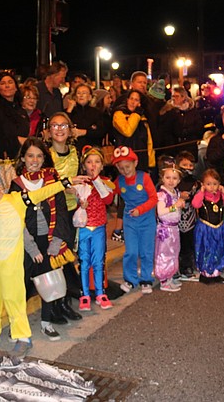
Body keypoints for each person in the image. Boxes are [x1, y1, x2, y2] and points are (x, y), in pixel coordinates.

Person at [0, 171, 87, 358]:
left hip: (11, 263)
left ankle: (23, 337)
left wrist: (66, 182)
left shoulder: (16, 199)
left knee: (14, 299)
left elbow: (43, 193)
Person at [8, 138, 76, 341]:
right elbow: (14, 220)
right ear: (23, 158)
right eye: (30, 155)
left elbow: (62, 213)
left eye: (39, 156)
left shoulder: (52, 183)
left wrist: (56, 242)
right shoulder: (15, 185)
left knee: (49, 282)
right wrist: (31, 248)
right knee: (21, 285)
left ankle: (46, 322)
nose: (35, 160)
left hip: (49, 242)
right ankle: (17, 325)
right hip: (26, 243)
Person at [43, 112, 84, 318]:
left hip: (72, 210)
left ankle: (66, 297)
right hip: (51, 212)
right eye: (54, 125)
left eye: (63, 125)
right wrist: (65, 186)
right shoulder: (43, 154)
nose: (59, 129)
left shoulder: (77, 152)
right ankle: (58, 304)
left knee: (68, 255)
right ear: (48, 131)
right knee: (55, 255)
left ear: (71, 130)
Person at [112, 146, 158, 294]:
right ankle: (130, 279)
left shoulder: (144, 177)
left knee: (146, 251)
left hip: (147, 220)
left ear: (135, 163)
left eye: (127, 166)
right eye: (121, 168)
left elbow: (154, 198)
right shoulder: (119, 181)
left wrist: (141, 209)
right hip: (130, 221)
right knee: (131, 251)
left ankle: (146, 279)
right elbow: (108, 194)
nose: (125, 171)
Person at [75, 146, 115, 311]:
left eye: (97, 162)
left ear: (102, 165)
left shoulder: (106, 182)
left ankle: (100, 293)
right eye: (89, 162)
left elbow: (108, 200)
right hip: (84, 228)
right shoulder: (79, 182)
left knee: (98, 261)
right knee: (84, 262)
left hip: (99, 227)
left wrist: (97, 179)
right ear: (84, 165)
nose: (93, 165)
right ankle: (84, 294)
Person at [191, 168, 224, 284]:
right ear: (203, 184)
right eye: (208, 184)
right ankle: (205, 274)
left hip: (219, 228)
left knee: (219, 250)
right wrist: (201, 191)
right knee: (206, 251)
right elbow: (195, 204)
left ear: (219, 184)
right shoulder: (202, 196)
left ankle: (216, 272)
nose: (212, 187)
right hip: (205, 229)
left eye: (215, 184)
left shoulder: (221, 196)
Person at [154, 157, 183, 292]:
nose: (171, 181)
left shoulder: (176, 192)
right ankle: (163, 279)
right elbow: (161, 212)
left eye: (174, 178)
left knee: (173, 253)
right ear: (162, 178)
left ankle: (170, 276)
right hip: (165, 229)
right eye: (168, 177)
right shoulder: (162, 194)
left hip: (174, 228)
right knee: (164, 254)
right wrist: (174, 206)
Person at [0, 72, 30, 159]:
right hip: (4, 161)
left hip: (22, 158)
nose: (7, 86)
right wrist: (17, 140)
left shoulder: (22, 111)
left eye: (10, 82)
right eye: (3, 83)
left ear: (16, 87)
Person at [111, 90, 156, 173]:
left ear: (140, 103)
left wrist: (151, 162)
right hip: (124, 159)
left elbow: (148, 142)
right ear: (127, 100)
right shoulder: (119, 114)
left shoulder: (143, 118)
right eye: (131, 99)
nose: (133, 102)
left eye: (136, 100)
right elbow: (128, 131)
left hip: (141, 160)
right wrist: (136, 114)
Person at [175, 151, 200, 280]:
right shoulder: (173, 180)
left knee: (188, 243)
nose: (188, 168)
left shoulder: (196, 183)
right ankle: (174, 267)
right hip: (173, 219)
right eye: (185, 164)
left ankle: (187, 266)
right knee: (174, 243)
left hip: (190, 218)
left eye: (191, 165)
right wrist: (179, 196)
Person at [67, 83, 108, 150]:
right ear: (75, 97)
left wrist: (83, 132)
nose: (81, 95)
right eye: (78, 93)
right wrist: (69, 110)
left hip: (92, 149)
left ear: (90, 97)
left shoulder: (97, 113)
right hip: (73, 149)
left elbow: (101, 131)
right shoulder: (69, 111)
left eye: (84, 93)